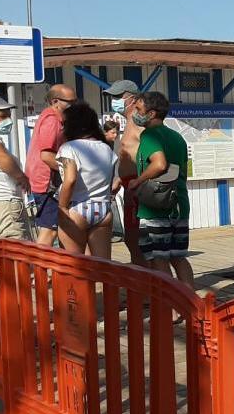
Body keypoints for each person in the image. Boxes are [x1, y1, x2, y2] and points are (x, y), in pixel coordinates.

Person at [131, 92, 193, 289]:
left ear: (151, 114)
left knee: (159, 259)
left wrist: (137, 181)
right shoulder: (177, 137)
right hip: (179, 204)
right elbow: (182, 170)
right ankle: (192, 307)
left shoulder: (149, 135)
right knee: (179, 257)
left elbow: (159, 164)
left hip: (155, 208)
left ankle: (171, 309)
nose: (135, 113)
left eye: (139, 110)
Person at [56, 103, 119, 257]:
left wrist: (62, 208)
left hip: (77, 208)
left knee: (74, 267)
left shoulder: (69, 148)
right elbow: (111, 181)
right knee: (103, 267)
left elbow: (70, 179)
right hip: (103, 209)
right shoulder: (106, 148)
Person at [25, 84, 76, 245]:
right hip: (47, 184)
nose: (74, 106)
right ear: (55, 102)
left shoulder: (58, 119)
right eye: (70, 102)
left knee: (61, 230)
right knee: (49, 231)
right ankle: (38, 267)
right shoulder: (52, 120)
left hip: (48, 184)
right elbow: (47, 156)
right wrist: (72, 171)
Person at [109, 79, 147, 266]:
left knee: (137, 241)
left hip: (137, 189)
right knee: (132, 240)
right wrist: (119, 179)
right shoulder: (129, 122)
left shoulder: (139, 122)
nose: (113, 100)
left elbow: (150, 156)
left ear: (132, 99)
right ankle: (143, 290)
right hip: (129, 186)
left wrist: (138, 184)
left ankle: (148, 290)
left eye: (118, 96)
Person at [0, 94, 30, 240]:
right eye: (2, 116)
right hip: (4, 207)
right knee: (16, 258)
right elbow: (0, 157)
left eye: (9, 115)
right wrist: (21, 177)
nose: (8, 120)